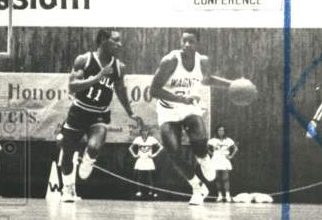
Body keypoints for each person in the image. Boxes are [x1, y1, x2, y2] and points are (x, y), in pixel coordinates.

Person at [149, 28, 233, 206]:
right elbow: (154, 90)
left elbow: (208, 80)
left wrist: (231, 85)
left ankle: (203, 158)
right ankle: (197, 187)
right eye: (184, 41)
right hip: (168, 109)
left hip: (189, 107)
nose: (187, 44)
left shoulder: (202, 61)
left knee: (200, 140)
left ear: (198, 44)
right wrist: (182, 99)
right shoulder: (171, 60)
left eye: (191, 41)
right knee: (173, 152)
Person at [58, 28, 142, 203]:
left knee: (95, 146)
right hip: (79, 111)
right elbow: (73, 86)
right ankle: (68, 189)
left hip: (100, 114)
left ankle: (89, 158)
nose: (120, 44)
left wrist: (131, 112)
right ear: (103, 40)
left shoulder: (119, 67)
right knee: (67, 153)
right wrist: (98, 76)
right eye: (115, 40)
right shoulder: (84, 60)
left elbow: (120, 90)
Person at [129, 125, 163, 199]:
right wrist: (134, 155)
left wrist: (154, 155)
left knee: (150, 176)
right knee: (139, 177)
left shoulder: (151, 139)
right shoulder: (138, 139)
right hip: (140, 159)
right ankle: (139, 191)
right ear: (141, 132)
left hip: (148, 159)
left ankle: (152, 191)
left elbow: (161, 147)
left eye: (146, 131)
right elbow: (130, 148)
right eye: (143, 131)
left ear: (148, 132)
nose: (144, 132)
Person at [207, 125, 238, 202]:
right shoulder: (213, 140)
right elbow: (206, 148)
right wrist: (212, 154)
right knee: (217, 178)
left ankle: (227, 195)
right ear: (217, 131)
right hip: (216, 159)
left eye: (222, 130)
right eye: (220, 130)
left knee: (225, 178)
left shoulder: (228, 140)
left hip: (224, 159)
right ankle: (220, 195)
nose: (221, 132)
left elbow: (235, 148)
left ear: (224, 131)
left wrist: (231, 156)